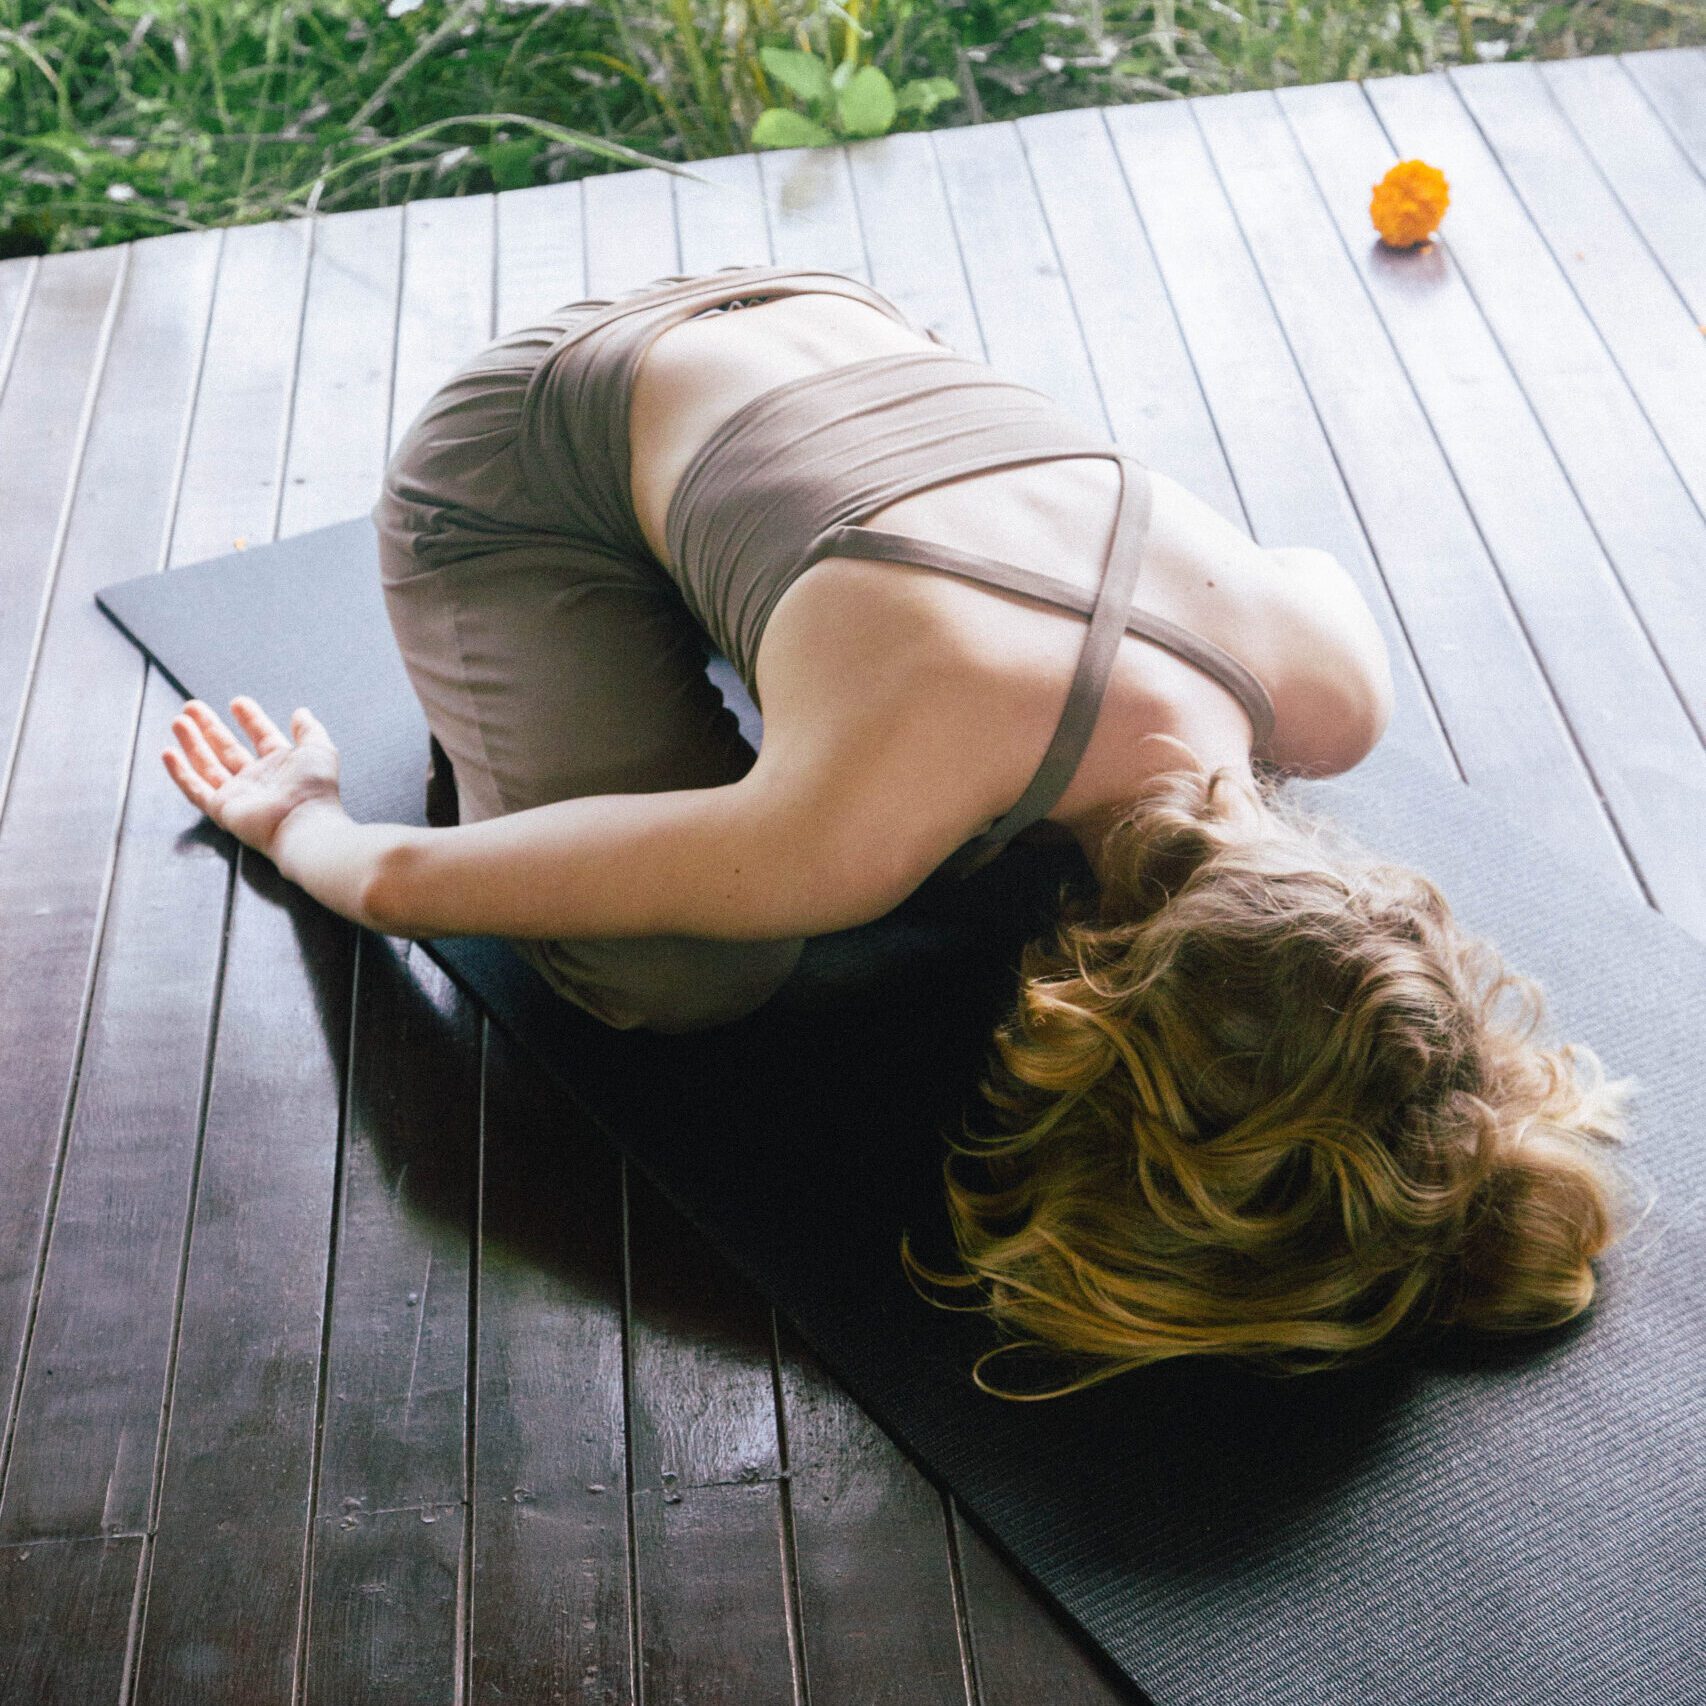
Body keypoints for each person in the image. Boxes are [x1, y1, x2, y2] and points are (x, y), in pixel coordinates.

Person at [160, 264, 1638, 1395]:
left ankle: (782, 632)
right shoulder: (848, 831)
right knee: (676, 978)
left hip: (832, 325)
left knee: (901, 788)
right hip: (518, 456)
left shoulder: (1324, 693)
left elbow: (1291, 556)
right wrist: (295, 820)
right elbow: (406, 880)